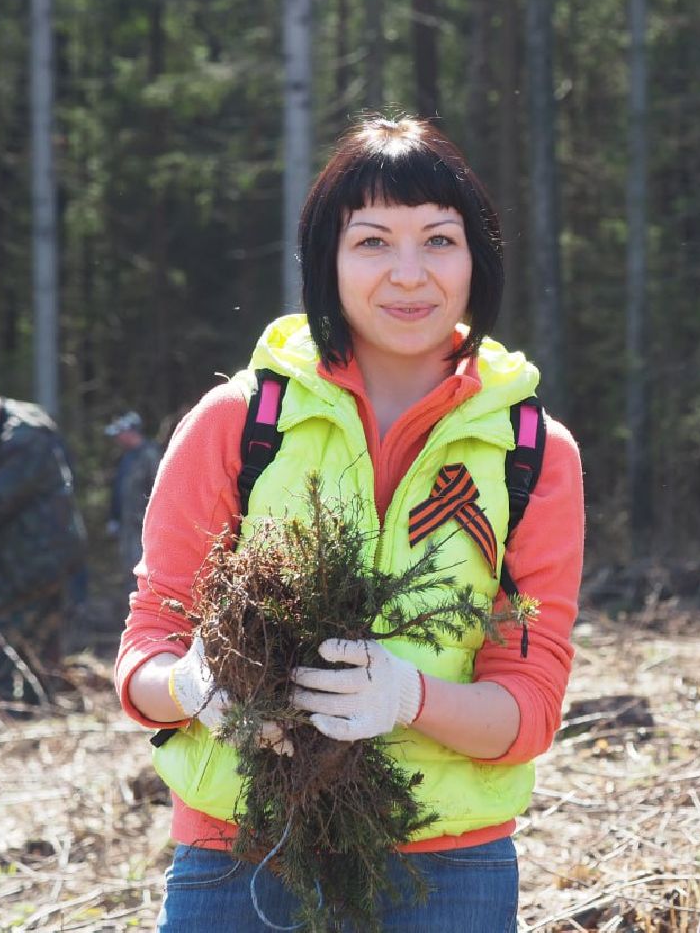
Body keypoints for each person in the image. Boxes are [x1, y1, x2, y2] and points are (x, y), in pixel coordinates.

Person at [114, 117, 584, 931]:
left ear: (480, 259)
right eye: (372, 242)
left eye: (440, 240)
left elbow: (531, 707)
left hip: (450, 872)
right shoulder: (239, 424)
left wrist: (408, 697)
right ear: (326, 261)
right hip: (239, 857)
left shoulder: (531, 452)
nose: (410, 275)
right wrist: (190, 684)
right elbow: (145, 650)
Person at [0, 391, 87, 702]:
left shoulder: (24, 436)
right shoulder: (12, 427)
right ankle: (33, 705)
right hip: (24, 559)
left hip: (39, 562)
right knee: (35, 647)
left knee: (10, 640)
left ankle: (20, 710)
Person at [103, 410, 160, 587]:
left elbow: (158, 490)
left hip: (144, 527)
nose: (117, 439)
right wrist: (114, 517)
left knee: (143, 571)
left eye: (120, 433)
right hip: (127, 526)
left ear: (130, 432)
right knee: (129, 569)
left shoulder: (150, 455)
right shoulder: (127, 457)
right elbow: (120, 491)